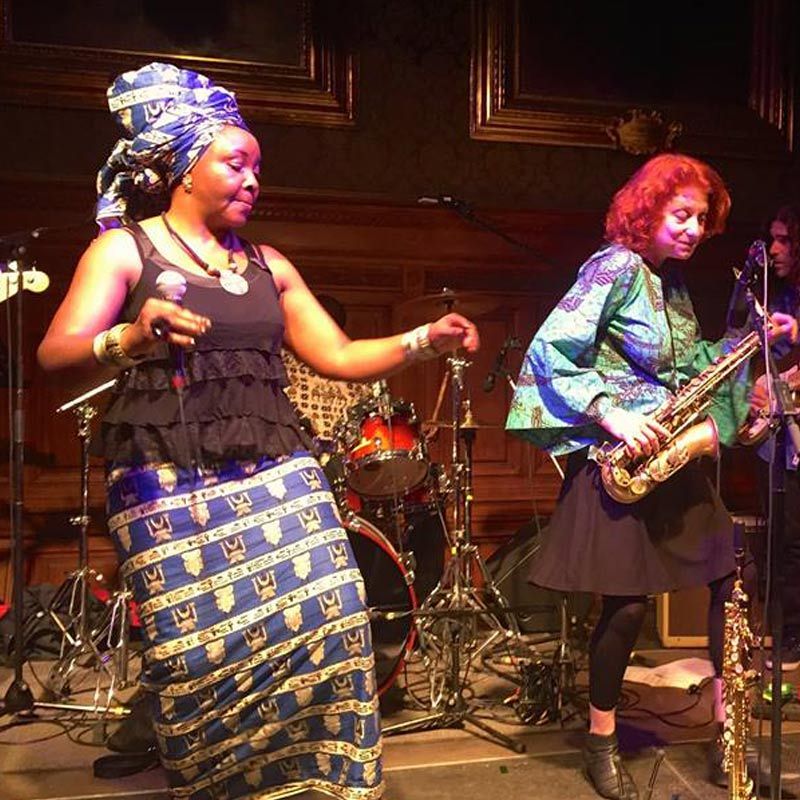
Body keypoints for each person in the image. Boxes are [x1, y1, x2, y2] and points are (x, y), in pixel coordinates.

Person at [37, 61, 479, 800]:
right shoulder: (124, 250)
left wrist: (423, 340)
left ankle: (320, 781)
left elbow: (338, 355)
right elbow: (57, 354)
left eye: (257, 168)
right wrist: (131, 338)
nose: (252, 180)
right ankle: (219, 783)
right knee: (197, 654)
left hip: (275, 465)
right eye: (235, 164)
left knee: (334, 616)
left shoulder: (269, 263)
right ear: (184, 169)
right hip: (166, 476)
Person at [505, 153, 797, 800]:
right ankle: (601, 741)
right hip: (621, 458)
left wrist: (755, 341)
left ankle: (730, 736)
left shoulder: (672, 283)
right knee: (627, 606)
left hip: (669, 451)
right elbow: (550, 350)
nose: (694, 229)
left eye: (701, 218)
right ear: (648, 210)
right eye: (681, 214)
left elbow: (691, 366)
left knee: (730, 581)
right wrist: (609, 413)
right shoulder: (613, 267)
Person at [736, 204, 800, 673]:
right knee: (779, 534)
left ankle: (793, 633)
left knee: (794, 537)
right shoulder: (778, 292)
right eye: (772, 239)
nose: (775, 249)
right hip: (778, 433)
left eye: (785, 240)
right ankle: (781, 628)